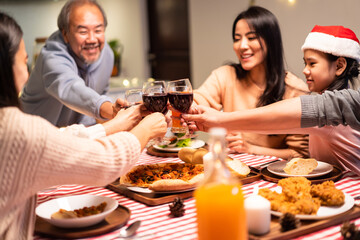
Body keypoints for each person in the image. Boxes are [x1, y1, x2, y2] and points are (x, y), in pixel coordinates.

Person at [0, 12, 167, 239]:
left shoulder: (106, 54)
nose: (28, 71)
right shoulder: (16, 127)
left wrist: (117, 124)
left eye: (98, 29)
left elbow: (60, 139)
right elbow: (104, 162)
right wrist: (144, 131)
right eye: (23, 60)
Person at [184, 25, 360, 175]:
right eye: (305, 63)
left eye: (312, 64)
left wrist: (220, 120)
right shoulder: (226, 74)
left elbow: (286, 122)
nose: (305, 70)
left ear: (339, 66)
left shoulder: (333, 116)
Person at [193, 6, 310, 160]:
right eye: (237, 38)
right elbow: (198, 100)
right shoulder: (226, 75)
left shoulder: (295, 90)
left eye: (251, 37)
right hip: (230, 169)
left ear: (271, 41)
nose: (242, 46)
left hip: (271, 176)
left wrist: (250, 148)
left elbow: (299, 154)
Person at [20, 0, 118, 127]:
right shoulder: (52, 56)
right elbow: (70, 87)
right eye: (83, 32)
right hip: (32, 135)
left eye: (98, 30)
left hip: (74, 136)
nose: (92, 39)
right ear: (65, 34)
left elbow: (100, 95)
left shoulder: (107, 54)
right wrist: (114, 111)